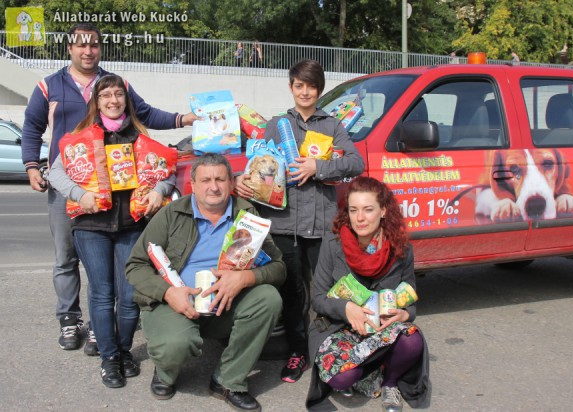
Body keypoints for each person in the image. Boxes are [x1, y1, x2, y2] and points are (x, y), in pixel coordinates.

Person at [21, 22, 198, 354]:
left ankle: (96, 328)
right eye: (81, 45)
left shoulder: (114, 85)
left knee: (101, 265)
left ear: (100, 48)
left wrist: (183, 119)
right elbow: (32, 127)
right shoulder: (48, 86)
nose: (88, 51)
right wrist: (32, 165)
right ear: (69, 48)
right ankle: (69, 320)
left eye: (94, 45)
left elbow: (145, 113)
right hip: (69, 186)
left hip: (113, 191)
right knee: (66, 258)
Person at [234, 59, 365, 384]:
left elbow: (355, 162)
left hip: (320, 226)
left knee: (328, 292)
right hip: (283, 223)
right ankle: (298, 352)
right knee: (292, 293)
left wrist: (316, 169)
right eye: (299, 85)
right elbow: (259, 166)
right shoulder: (276, 125)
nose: (305, 92)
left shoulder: (332, 126)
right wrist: (242, 180)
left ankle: (330, 351)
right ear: (291, 87)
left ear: (319, 90)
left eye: (311, 86)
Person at [125, 154, 286, 409]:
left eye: (221, 179)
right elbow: (135, 265)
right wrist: (168, 293)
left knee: (268, 298)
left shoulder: (246, 213)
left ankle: (228, 380)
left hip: (225, 304)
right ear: (193, 184)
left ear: (231, 184)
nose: (214, 187)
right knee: (175, 345)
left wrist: (245, 277)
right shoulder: (171, 214)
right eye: (206, 180)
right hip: (176, 303)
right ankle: (166, 371)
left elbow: (278, 268)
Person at [48, 74, 174, 388]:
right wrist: (80, 195)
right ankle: (109, 358)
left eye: (118, 94)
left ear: (126, 101)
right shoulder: (83, 137)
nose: (113, 100)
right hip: (92, 228)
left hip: (132, 227)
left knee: (130, 296)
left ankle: (123, 350)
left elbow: (169, 170)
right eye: (106, 95)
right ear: (97, 102)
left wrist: (159, 190)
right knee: (103, 296)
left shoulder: (140, 136)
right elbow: (55, 173)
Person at [306, 176, 430, 411]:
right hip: (339, 328)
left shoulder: (400, 248)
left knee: (413, 341)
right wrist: (346, 308)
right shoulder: (333, 244)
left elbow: (411, 294)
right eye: (353, 210)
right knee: (341, 378)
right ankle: (370, 372)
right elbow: (318, 298)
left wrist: (404, 315)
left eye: (368, 209)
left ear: (383, 211)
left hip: (382, 330)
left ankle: (389, 382)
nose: (359, 218)